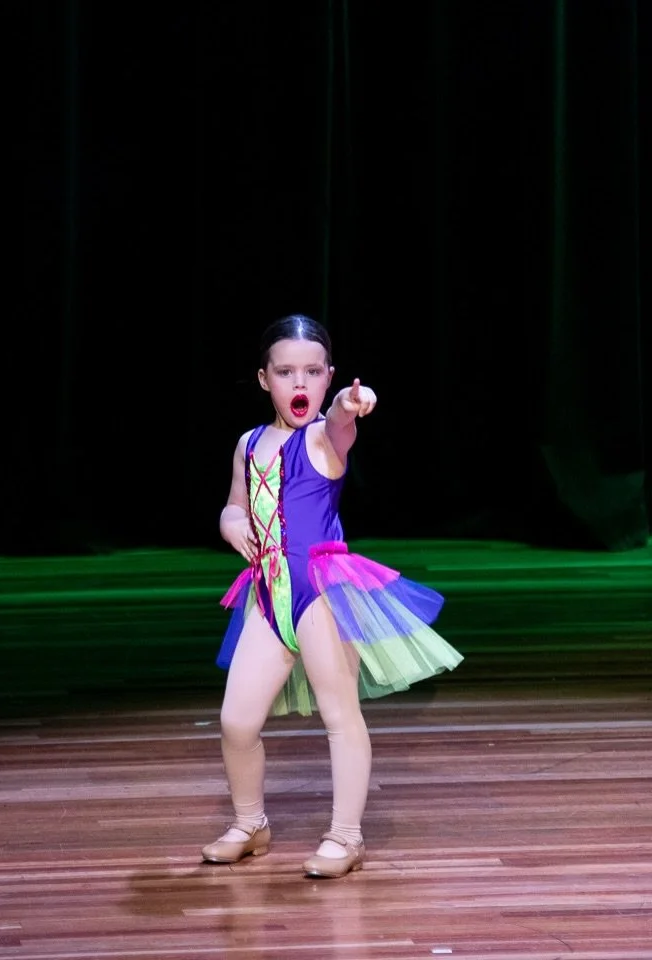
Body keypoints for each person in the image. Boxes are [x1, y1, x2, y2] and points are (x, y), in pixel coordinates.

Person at [201, 314, 463, 878]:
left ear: (328, 377)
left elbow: (342, 424)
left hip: (321, 593)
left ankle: (346, 836)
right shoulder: (248, 444)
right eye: (286, 371)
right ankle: (251, 823)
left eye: (313, 372)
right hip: (268, 596)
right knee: (237, 722)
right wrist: (229, 523)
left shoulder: (323, 436)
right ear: (264, 378)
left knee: (340, 715)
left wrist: (349, 404)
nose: (300, 383)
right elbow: (234, 503)